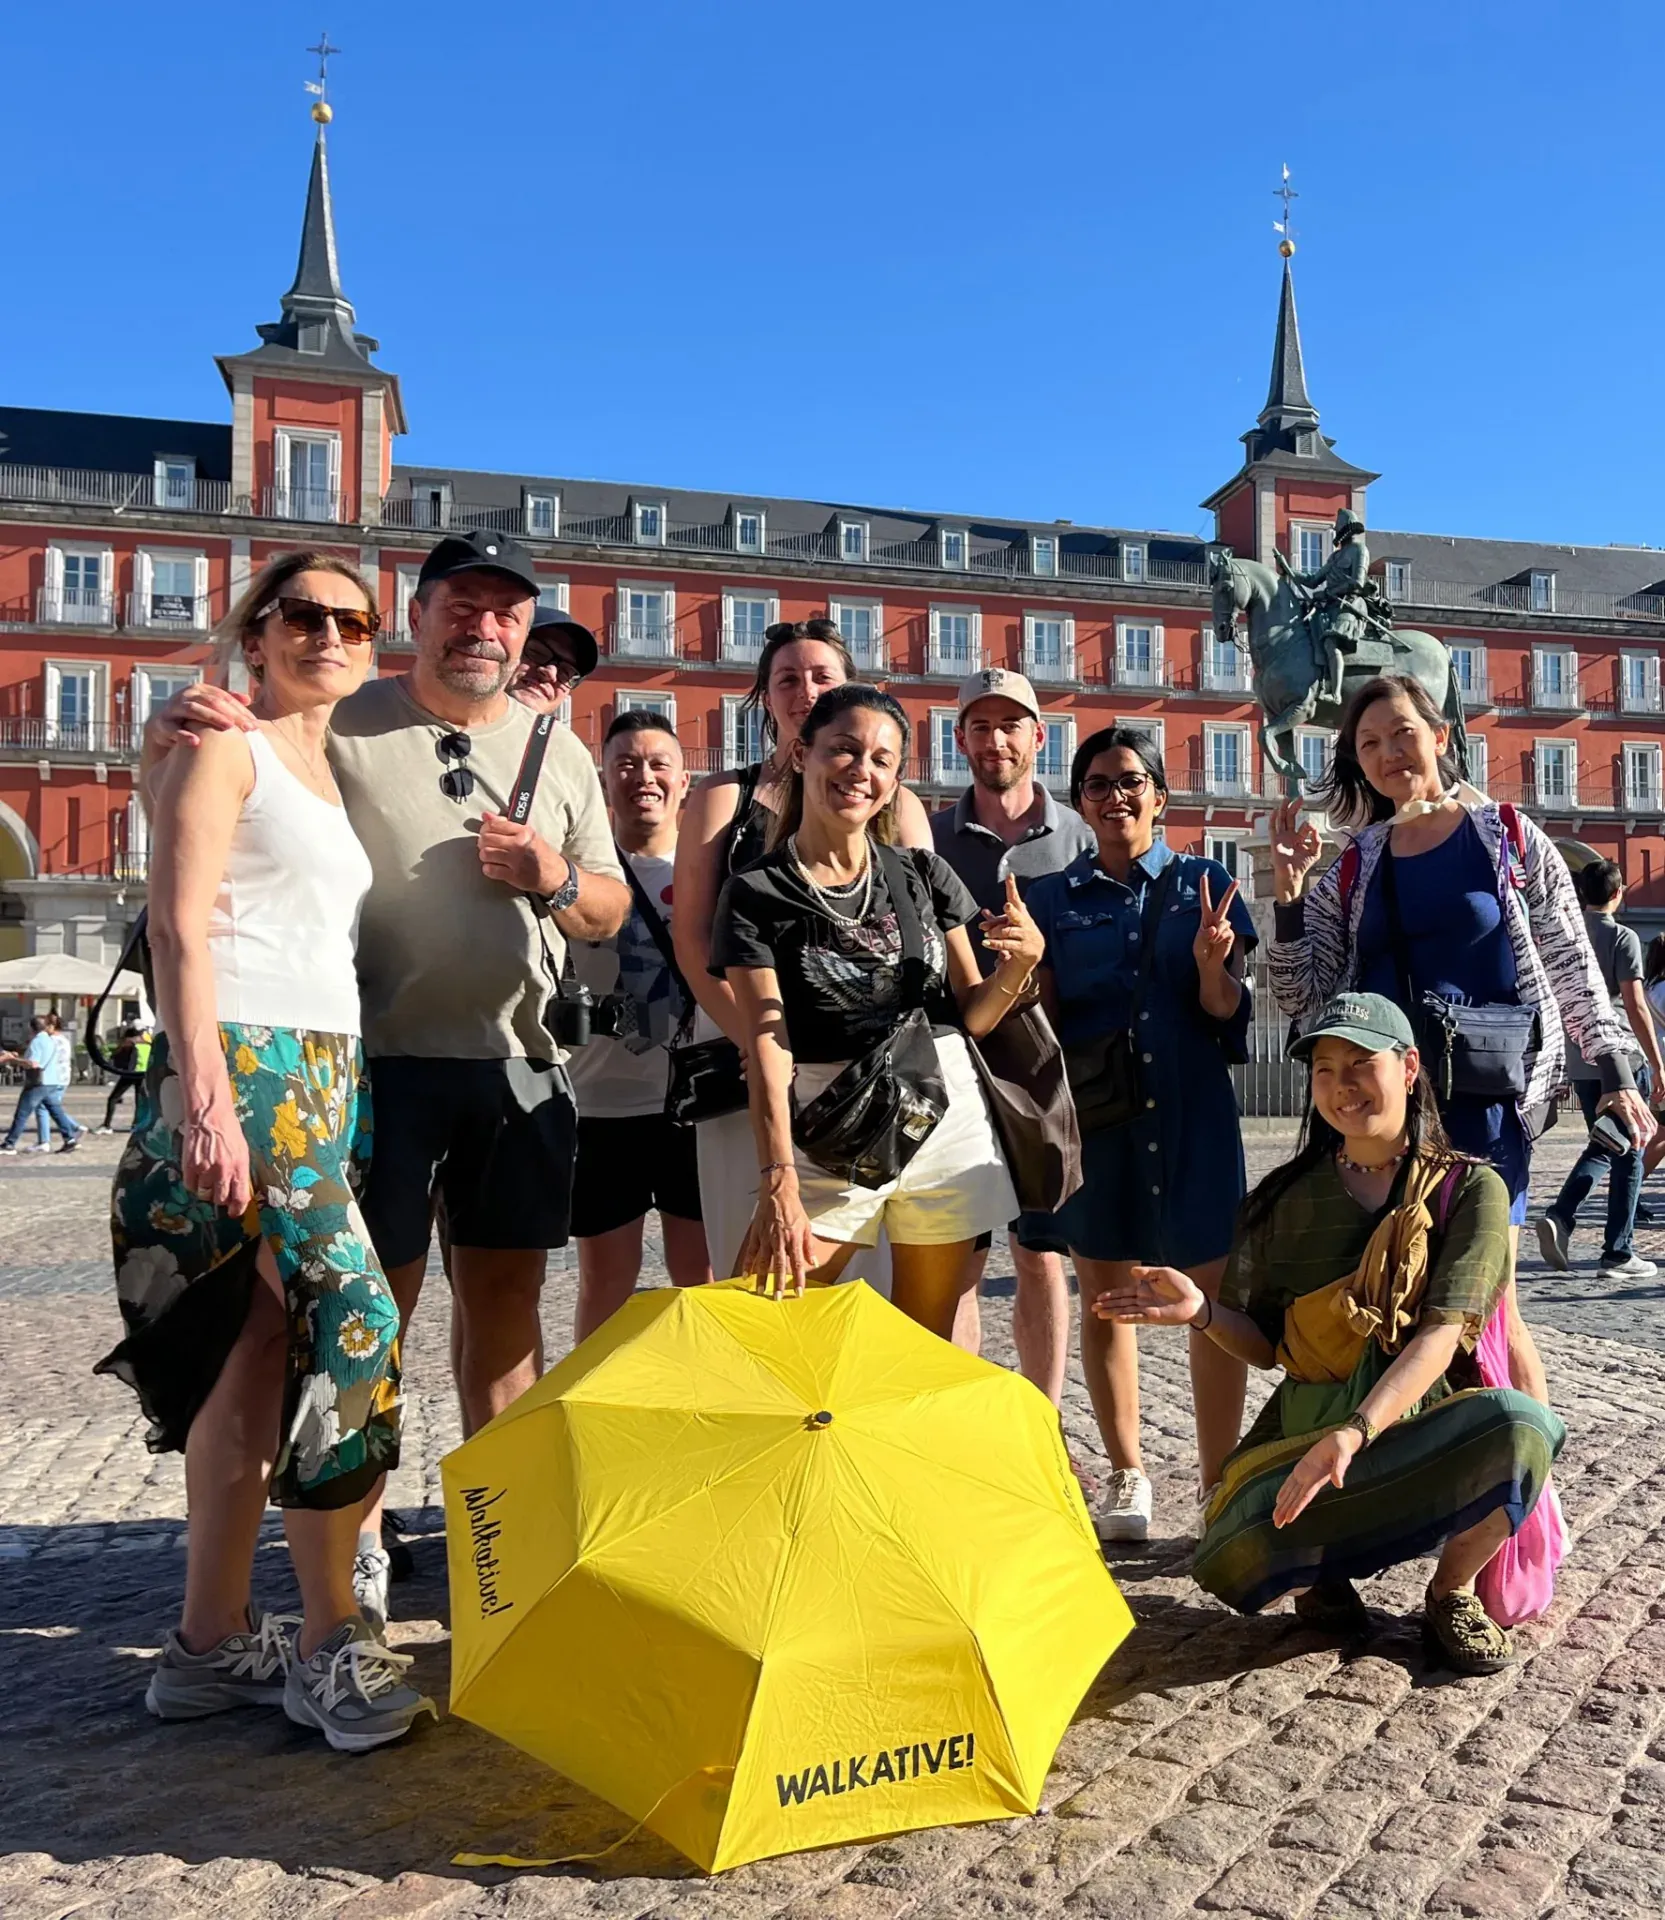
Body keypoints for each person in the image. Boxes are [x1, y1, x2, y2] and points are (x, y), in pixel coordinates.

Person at [140, 528, 630, 1639]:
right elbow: (220, 825)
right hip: (373, 1068)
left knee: (505, 1316)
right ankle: (356, 1549)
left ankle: (496, 1538)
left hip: (518, 1066)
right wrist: (157, 749)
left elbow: (605, 912)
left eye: (507, 610)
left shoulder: (561, 752)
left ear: (523, 630)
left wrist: (552, 877)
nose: (485, 625)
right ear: (417, 616)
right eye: (464, 602)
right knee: (367, 1317)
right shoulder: (344, 716)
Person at [96, 550, 433, 1750]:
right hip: (243, 1061)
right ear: (257, 631)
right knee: (354, 1319)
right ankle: (332, 1637)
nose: (330, 634)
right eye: (304, 615)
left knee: (251, 1355)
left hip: (327, 1071)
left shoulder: (321, 765)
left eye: (352, 620)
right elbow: (179, 925)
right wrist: (203, 1097)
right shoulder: (224, 739)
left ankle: (204, 1646)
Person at [1099, 992, 1566, 1675]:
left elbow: (1440, 1334)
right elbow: (1264, 1346)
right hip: (1304, 1437)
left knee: (1523, 1430)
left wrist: (1353, 1431)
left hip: (1417, 1430)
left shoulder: (1470, 1191)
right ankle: (1321, 1575)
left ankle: (1451, 1591)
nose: (1341, 1084)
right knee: (1232, 1560)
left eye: (1359, 1062)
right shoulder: (1281, 1201)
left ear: (1408, 1067)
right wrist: (1200, 1311)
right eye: (1322, 1068)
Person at [1268, 672, 1652, 1405]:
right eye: (1368, 743)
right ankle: (1436, 1481)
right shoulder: (1353, 862)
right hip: (1385, 1114)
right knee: (1401, 1307)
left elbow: (1572, 960)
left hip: (1485, 1107)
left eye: (1402, 733)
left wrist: (1616, 1072)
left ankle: (1526, 1499)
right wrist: (1287, 897)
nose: (1388, 754)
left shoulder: (1503, 835)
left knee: (1485, 1312)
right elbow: (1303, 994)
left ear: (1439, 736)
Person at [712, 684, 1043, 1334]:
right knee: (765, 1330)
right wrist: (777, 1176)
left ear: (894, 783)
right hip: (826, 1128)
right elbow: (766, 1044)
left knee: (922, 1342)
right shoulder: (756, 893)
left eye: (881, 760)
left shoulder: (923, 875)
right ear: (803, 754)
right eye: (844, 749)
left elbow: (973, 1014)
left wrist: (1020, 966)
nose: (861, 770)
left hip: (941, 1122)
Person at [1025, 726, 1256, 1543]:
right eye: (1095, 784)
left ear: (1159, 795)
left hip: (1193, 1116)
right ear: (1079, 801)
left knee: (1208, 1302)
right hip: (1099, 1127)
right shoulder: (1049, 899)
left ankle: (1220, 1484)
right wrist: (1022, 967)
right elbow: (1039, 1025)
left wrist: (1208, 964)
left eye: (1130, 780)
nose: (1114, 795)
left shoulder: (1207, 884)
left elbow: (1228, 1012)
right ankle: (1128, 1472)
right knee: (1105, 1302)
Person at [673, 619, 934, 1280]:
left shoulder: (895, 804)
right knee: (755, 1249)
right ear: (765, 696)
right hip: (742, 1042)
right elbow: (693, 936)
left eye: (822, 676)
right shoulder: (722, 798)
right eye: (787, 678)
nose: (804, 690)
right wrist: (760, 1050)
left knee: (866, 1257)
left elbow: (922, 938)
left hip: (865, 1058)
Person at [929, 667, 1095, 1407]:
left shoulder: (1081, 837)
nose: (994, 740)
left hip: (1045, 1071)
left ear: (1037, 737)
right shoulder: (927, 836)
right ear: (960, 738)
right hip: (952, 1066)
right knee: (955, 1257)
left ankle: (1043, 1414)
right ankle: (960, 1416)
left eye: (1009, 726)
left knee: (1039, 1253)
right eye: (980, 726)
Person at [568, 710, 712, 1340]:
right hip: (602, 1106)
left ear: (684, 781)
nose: (643, 777)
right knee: (605, 1284)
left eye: (659, 764)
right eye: (626, 764)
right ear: (605, 780)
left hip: (696, 1104)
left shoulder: (712, 874)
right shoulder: (577, 875)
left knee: (701, 1283)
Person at [1537, 860, 1665, 1280]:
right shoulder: (1623, 938)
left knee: (1612, 1144)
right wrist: (1657, 1063)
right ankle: (1611, 1247)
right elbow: (1635, 1004)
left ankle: (1582, 1228)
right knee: (1625, 1148)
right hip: (1622, 1057)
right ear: (1618, 893)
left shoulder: (1567, 938)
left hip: (1581, 1058)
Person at [1278, 507, 1377, 705]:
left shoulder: (1360, 550)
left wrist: (1329, 592)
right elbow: (1314, 579)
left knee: (1331, 643)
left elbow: (1357, 582)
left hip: (1350, 605)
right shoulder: (1334, 557)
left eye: (1340, 530)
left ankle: (1336, 693)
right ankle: (1318, 681)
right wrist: (1290, 571)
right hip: (1330, 605)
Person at [0, 1014, 83, 1154]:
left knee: (22, 1112)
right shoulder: (50, 1040)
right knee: (56, 1111)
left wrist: (12, 1060)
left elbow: (33, 1064)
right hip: (51, 1080)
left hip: (39, 1082)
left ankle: (10, 1143)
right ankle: (70, 1139)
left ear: (31, 1027)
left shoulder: (38, 1041)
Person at [95, 1023, 150, 1133]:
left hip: (130, 1074)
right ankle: (136, 1125)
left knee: (113, 1098)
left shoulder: (129, 1044)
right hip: (143, 1075)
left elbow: (116, 1058)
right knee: (139, 1101)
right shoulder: (148, 1045)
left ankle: (107, 1125)